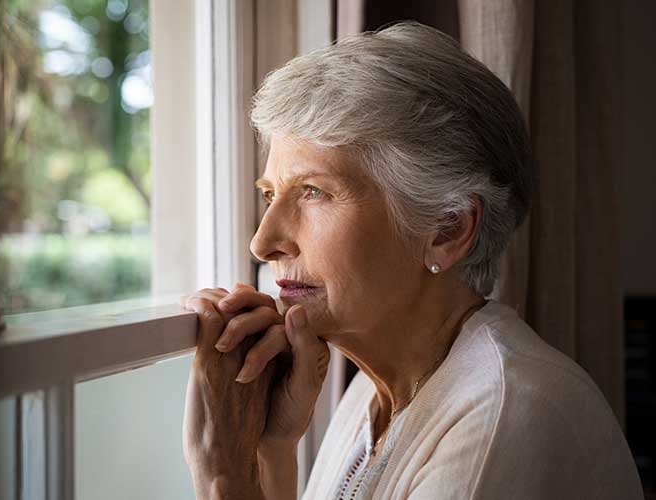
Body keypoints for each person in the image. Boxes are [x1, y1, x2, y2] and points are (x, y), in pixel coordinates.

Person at [181, 22, 643, 499]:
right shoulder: (372, 394)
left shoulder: (505, 418)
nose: (263, 242)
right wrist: (272, 450)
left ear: (447, 229)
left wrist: (225, 479)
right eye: (270, 195)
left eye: (314, 192)